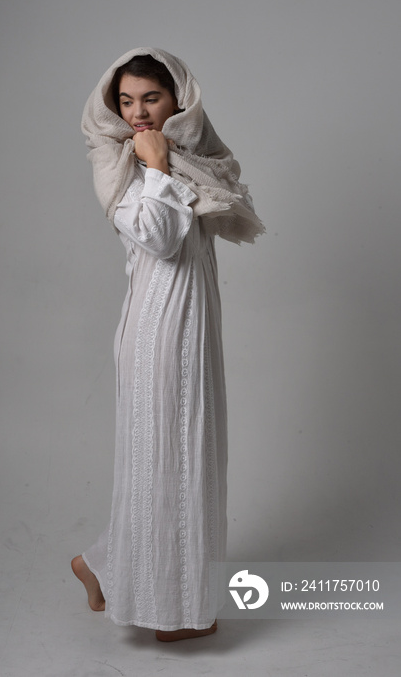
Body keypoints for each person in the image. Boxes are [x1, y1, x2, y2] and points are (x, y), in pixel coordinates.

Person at [72, 47, 264, 642]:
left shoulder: (194, 156)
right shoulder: (123, 162)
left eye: (150, 98)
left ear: (179, 98)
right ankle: (170, 612)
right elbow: (155, 237)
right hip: (156, 327)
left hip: (193, 322)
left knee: (188, 457)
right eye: (125, 101)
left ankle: (104, 565)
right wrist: (155, 167)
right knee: (166, 460)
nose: (137, 113)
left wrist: (170, 163)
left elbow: (208, 225)